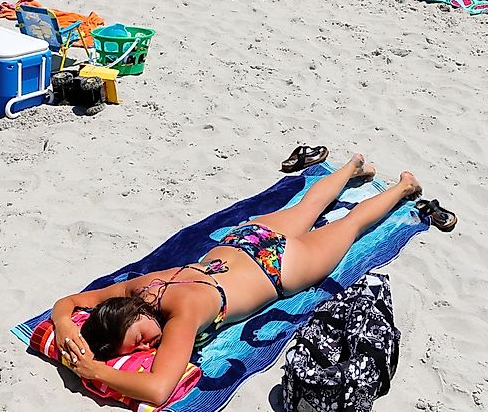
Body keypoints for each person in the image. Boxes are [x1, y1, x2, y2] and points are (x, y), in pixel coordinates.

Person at [52, 156, 425, 406]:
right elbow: (70, 302)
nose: (148, 344)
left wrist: (93, 371)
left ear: (130, 316)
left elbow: (158, 390)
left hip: (282, 267)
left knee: (351, 225)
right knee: (309, 209)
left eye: (138, 339)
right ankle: (352, 166)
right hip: (247, 239)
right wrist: (65, 321)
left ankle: (404, 187)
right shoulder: (139, 287)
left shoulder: (184, 315)